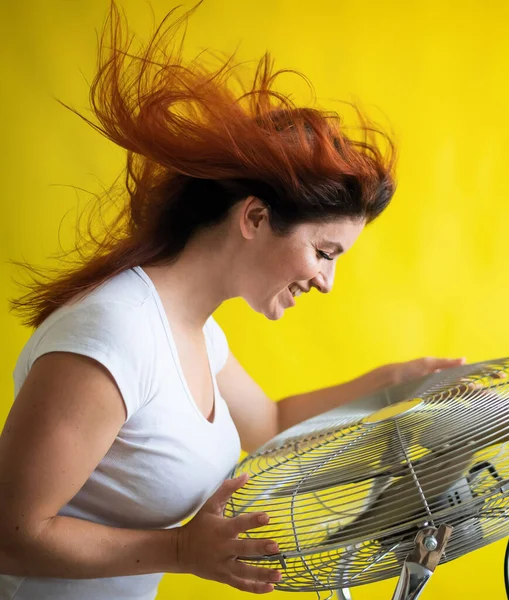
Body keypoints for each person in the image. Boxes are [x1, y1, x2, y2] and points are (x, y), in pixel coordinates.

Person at [0, 2, 466, 599]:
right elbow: (13, 533)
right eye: (324, 252)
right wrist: (179, 550)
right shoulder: (115, 335)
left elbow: (269, 424)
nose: (326, 282)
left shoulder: (195, 332)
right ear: (254, 216)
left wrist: (406, 381)